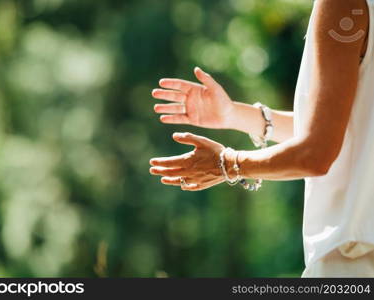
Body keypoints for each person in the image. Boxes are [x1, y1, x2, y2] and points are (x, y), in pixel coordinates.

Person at [149, 0, 374, 277]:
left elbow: (315, 154)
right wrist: (235, 116)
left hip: (355, 262)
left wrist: (227, 163)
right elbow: (347, 132)